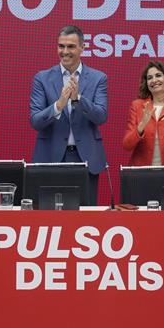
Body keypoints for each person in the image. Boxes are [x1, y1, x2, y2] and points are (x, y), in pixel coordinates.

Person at [29, 25, 108, 205]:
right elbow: (35, 121)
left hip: (86, 158)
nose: (65, 52)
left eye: (71, 46)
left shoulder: (98, 78)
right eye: (61, 46)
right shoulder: (42, 78)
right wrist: (59, 105)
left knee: (86, 217)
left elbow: (101, 116)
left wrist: (78, 99)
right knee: (49, 217)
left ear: (82, 47)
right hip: (51, 157)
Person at [121, 61, 164, 172]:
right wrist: (141, 126)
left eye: (158, 75)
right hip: (141, 172)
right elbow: (126, 145)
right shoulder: (137, 106)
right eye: (149, 78)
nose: (154, 80)